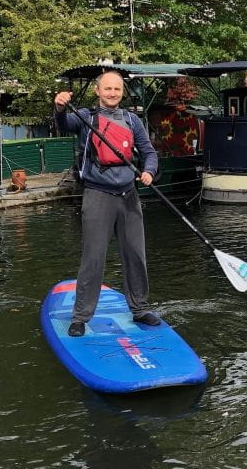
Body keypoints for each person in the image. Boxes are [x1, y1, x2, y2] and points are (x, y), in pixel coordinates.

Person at [54, 70, 160, 337]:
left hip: (129, 195)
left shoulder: (132, 120)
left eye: (117, 89)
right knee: (93, 257)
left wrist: (148, 171)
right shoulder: (85, 118)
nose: (112, 93)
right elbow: (63, 124)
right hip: (97, 195)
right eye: (108, 89)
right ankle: (80, 317)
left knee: (135, 254)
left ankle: (140, 308)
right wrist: (57, 108)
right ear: (98, 91)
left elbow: (149, 152)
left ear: (122, 92)